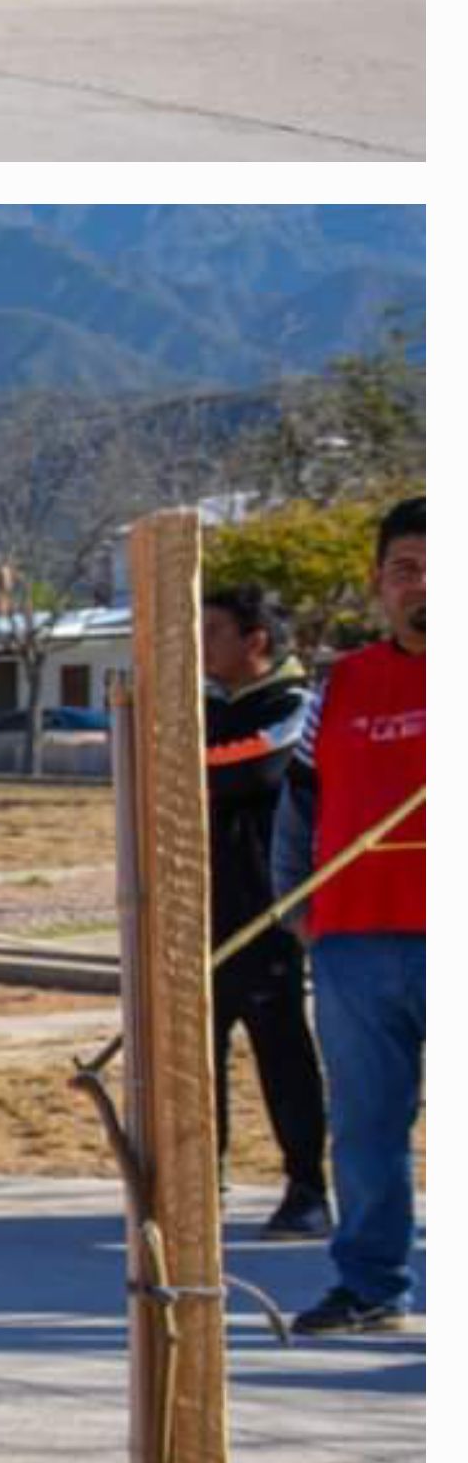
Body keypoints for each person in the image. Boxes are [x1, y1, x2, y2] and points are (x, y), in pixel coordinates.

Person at [272, 496, 426, 1335]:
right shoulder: (343, 685)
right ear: (378, 584)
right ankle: (370, 1285)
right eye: (406, 568)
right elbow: (299, 801)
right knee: (366, 1127)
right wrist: (295, 900)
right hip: (355, 941)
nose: (423, 585)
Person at [199, 582, 329, 1240]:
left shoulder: (291, 707)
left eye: (216, 630)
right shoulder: (203, 706)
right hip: (197, 910)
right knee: (194, 1055)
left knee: (282, 1050)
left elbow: (245, 773)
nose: (202, 643)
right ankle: (201, 1182)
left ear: (256, 641)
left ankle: (307, 1185)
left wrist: (178, 764)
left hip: (265, 912)